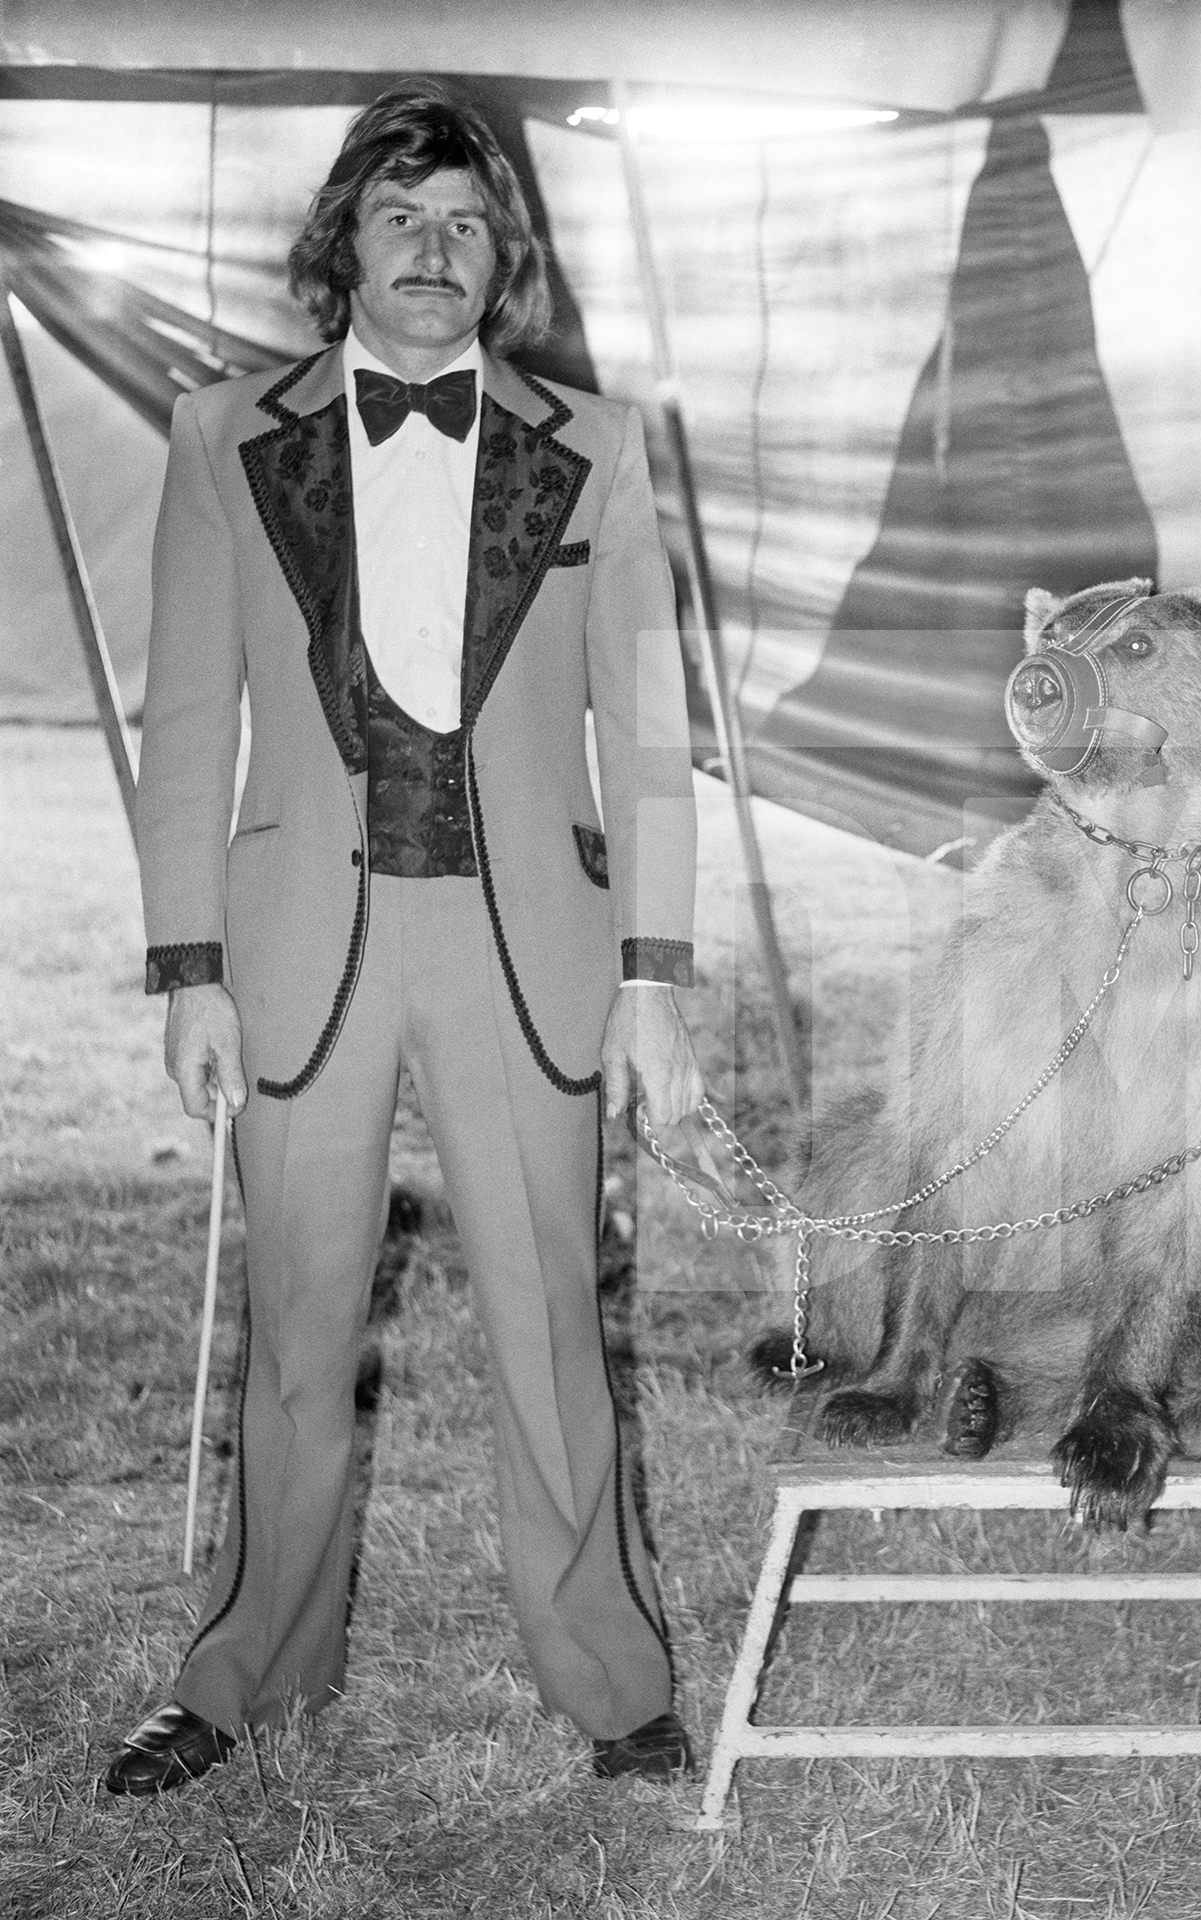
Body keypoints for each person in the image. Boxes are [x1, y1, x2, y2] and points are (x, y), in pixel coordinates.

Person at [105, 83, 704, 1796]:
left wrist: (655, 976)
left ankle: (613, 1683)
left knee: (553, 1337)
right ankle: (242, 1677)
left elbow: (645, 731)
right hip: (305, 953)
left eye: (465, 223)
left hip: (532, 954)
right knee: (293, 1336)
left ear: (503, 254)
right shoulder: (223, 434)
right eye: (400, 218)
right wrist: (188, 968)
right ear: (341, 244)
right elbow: (191, 714)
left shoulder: (596, 444)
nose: (435, 253)